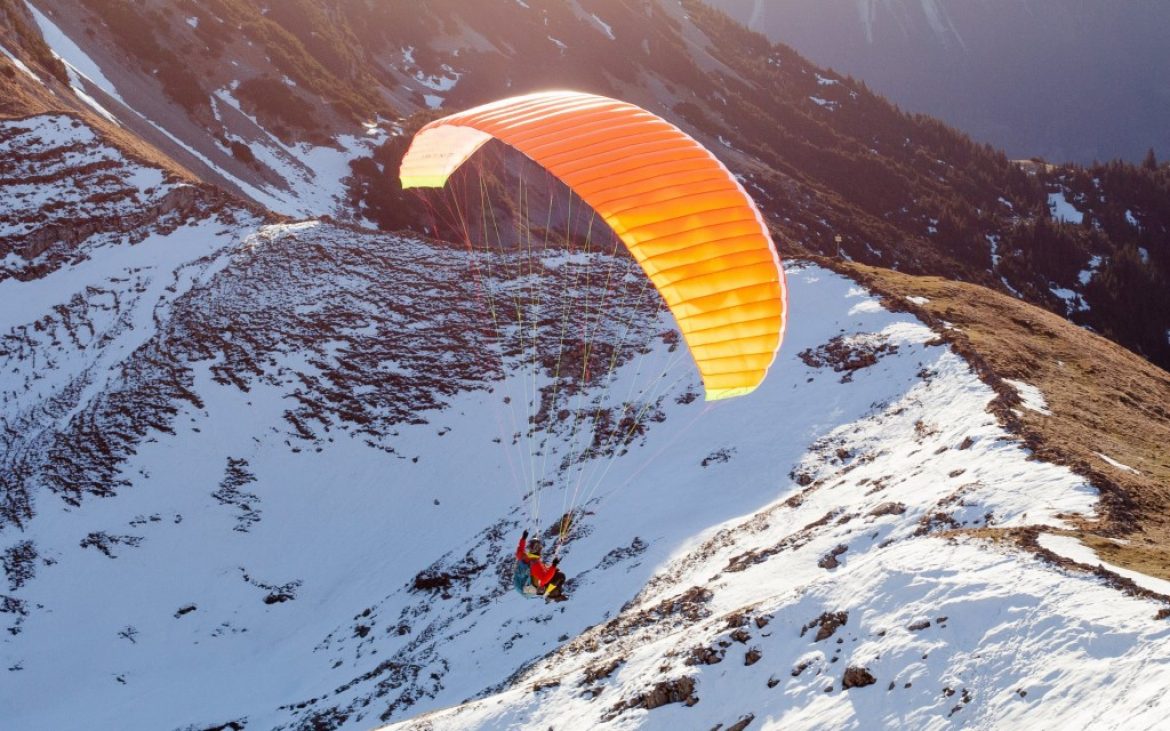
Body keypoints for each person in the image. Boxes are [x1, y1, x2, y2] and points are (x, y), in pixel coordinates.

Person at [515, 530, 567, 601]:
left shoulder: (525, 557)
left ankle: (549, 592)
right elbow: (544, 579)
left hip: (524, 586)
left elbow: (519, 551)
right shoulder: (536, 564)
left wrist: (523, 539)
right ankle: (551, 594)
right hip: (533, 588)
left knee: (555, 574)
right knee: (560, 576)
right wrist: (553, 566)